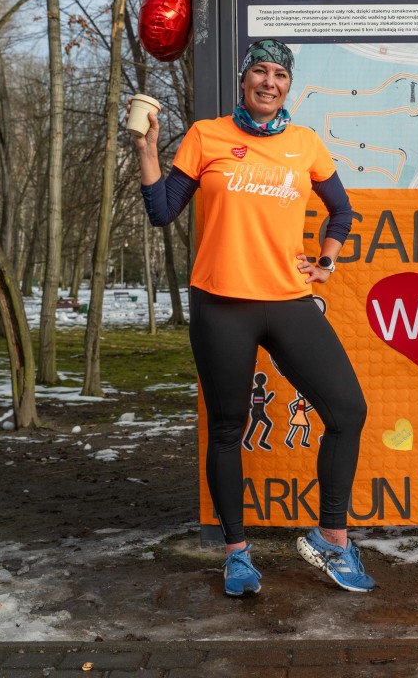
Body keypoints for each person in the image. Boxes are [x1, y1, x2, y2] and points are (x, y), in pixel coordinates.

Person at [130, 38, 375, 597]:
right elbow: (163, 211)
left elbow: (341, 210)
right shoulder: (206, 136)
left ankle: (333, 539)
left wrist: (327, 260)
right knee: (226, 430)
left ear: (290, 86)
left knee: (347, 411)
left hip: (288, 300)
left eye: (279, 75)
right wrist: (146, 150)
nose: (269, 82)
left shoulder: (305, 143)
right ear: (244, 81)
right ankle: (237, 554)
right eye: (259, 72)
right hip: (221, 305)